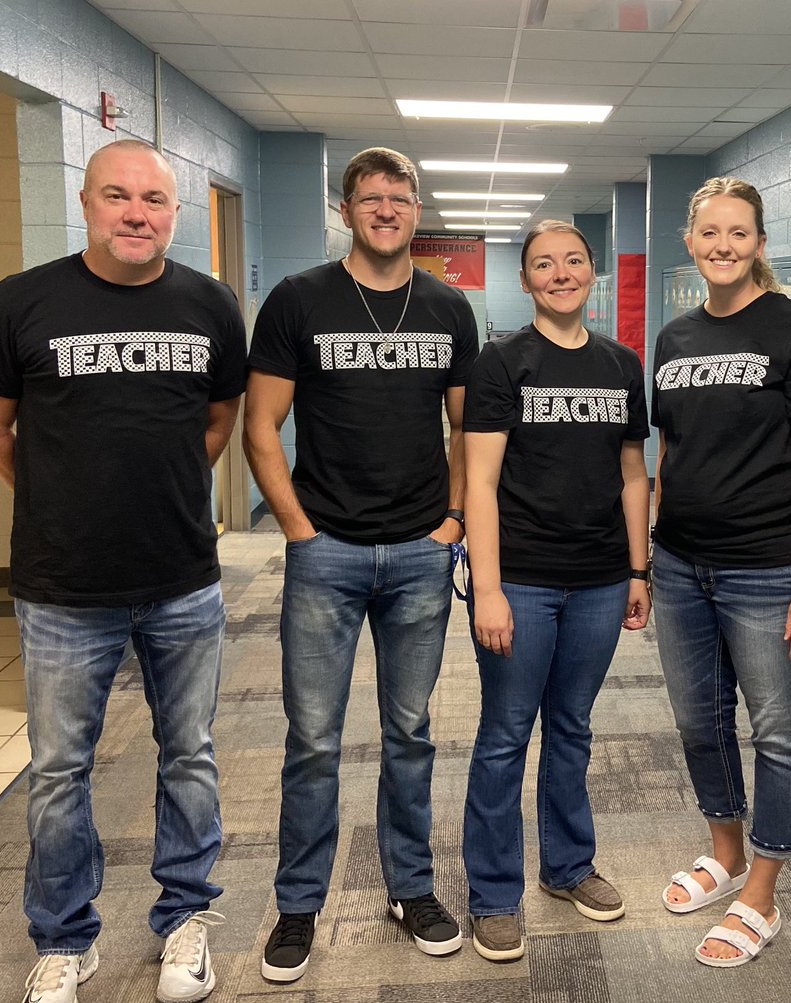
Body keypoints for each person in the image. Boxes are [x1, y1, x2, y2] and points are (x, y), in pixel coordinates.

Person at [0, 139, 247, 1003]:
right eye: (118, 196)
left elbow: (217, 419)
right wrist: (61, 500)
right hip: (60, 586)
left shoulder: (209, 304)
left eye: (154, 200)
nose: (136, 213)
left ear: (175, 213)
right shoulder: (20, 302)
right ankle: (63, 937)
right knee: (58, 770)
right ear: (85, 203)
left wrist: (148, 495)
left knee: (188, 754)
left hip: (182, 578)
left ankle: (185, 919)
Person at [243, 147, 479, 980]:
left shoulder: (449, 307)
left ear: (418, 211)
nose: (387, 208)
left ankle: (408, 886)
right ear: (347, 210)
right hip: (327, 553)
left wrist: (452, 520)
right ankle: (299, 902)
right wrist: (300, 530)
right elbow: (261, 425)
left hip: (420, 552)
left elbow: (467, 431)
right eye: (371, 197)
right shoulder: (299, 299)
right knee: (313, 738)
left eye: (401, 196)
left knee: (410, 732)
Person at [651, 177, 791, 967]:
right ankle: (725, 850)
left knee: (777, 730)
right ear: (691, 244)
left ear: (760, 242)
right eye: (710, 234)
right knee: (700, 722)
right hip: (680, 565)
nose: (723, 245)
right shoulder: (674, 338)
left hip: (769, 572)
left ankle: (762, 892)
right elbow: (668, 454)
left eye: (739, 232)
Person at [462, 221, 651, 962]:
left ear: (592, 273)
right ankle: (494, 894)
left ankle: (569, 866)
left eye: (573, 260)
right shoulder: (503, 363)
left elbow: (634, 472)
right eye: (545, 263)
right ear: (527, 278)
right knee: (506, 735)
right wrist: (488, 588)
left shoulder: (619, 362)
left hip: (603, 579)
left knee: (571, 727)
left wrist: (639, 570)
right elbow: (479, 481)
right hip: (524, 581)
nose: (561, 272)